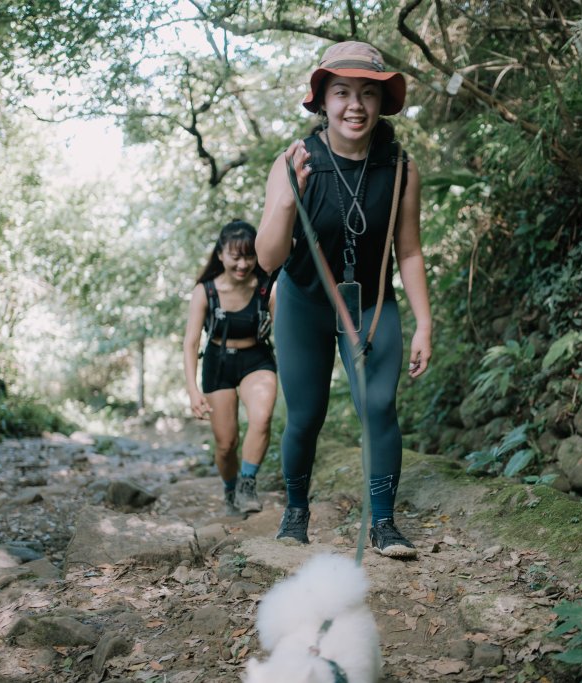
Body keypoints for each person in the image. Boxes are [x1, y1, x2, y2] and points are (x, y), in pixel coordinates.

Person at [256, 41, 432, 559]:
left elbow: (411, 252)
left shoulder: (400, 167)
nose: (355, 105)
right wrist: (288, 197)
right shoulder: (294, 160)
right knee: (305, 415)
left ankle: (383, 523)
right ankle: (295, 513)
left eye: (367, 93)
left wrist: (424, 322)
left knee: (378, 406)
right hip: (304, 301)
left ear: (382, 103)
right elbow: (268, 258)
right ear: (322, 102)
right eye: (342, 92)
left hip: (372, 303)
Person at [183, 220, 278, 516]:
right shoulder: (206, 291)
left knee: (261, 419)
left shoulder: (266, 287)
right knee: (226, 444)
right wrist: (192, 390)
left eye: (249, 256)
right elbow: (190, 343)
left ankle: (247, 483)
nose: (242, 264)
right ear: (221, 255)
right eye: (235, 257)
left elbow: (285, 331)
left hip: (257, 359)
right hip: (218, 362)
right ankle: (230, 489)